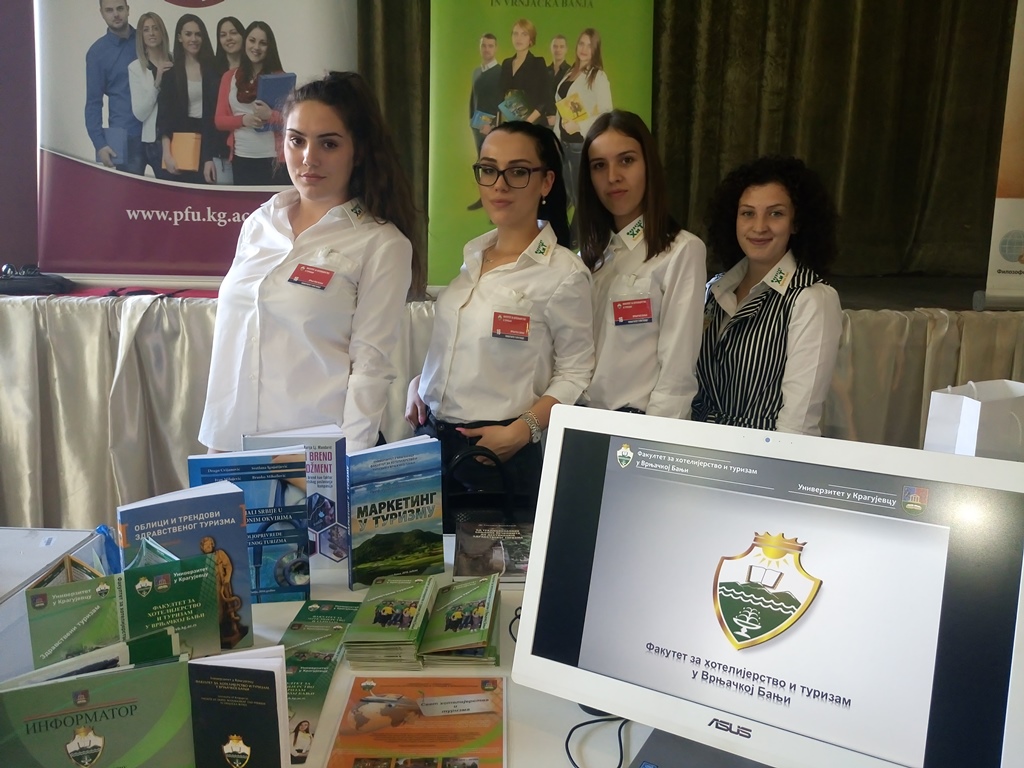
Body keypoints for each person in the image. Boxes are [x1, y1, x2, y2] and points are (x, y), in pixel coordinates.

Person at [199, 72, 420, 453]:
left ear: (358, 151)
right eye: (296, 140)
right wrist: (218, 448)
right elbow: (233, 346)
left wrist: (345, 463)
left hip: (317, 455)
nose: (308, 158)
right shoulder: (260, 223)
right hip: (233, 450)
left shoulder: (382, 244)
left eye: (328, 144)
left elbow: (370, 368)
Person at [406, 122, 594, 499]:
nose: (499, 185)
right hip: (430, 443)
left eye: (518, 171)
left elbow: (576, 373)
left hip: (499, 454)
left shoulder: (563, 273)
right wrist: (421, 383)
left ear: (546, 182)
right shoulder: (473, 258)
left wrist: (521, 432)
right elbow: (461, 348)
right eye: (489, 170)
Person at [693, 155, 843, 435]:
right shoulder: (714, 290)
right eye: (747, 213)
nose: (759, 226)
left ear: (796, 223)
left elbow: (798, 423)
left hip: (758, 455)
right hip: (697, 445)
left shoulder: (812, 299)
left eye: (775, 214)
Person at [577, 111, 706, 418]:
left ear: (649, 165)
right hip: (578, 420)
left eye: (626, 160)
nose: (613, 177)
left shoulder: (681, 251)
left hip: (636, 426)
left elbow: (677, 373)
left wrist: (653, 439)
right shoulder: (584, 260)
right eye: (599, 166)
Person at [215, 20, 288, 186]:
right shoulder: (229, 77)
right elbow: (219, 121)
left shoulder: (280, 77)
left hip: (274, 160)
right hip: (241, 158)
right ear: (245, 42)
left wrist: (270, 115)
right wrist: (243, 120)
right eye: (252, 40)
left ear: (269, 47)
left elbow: (291, 120)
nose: (256, 47)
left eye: (263, 43)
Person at [156, 14, 222, 184]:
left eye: (198, 34)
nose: (194, 39)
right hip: (180, 143)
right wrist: (167, 154)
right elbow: (164, 118)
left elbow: (213, 116)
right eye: (188, 34)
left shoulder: (213, 71)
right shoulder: (171, 74)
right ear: (180, 37)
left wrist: (209, 157)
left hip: (208, 141)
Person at [555, 28, 613, 208]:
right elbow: (560, 106)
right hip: (563, 143)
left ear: (595, 50)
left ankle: (584, 227)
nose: (584, 49)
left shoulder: (598, 76)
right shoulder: (570, 72)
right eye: (581, 43)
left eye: (589, 45)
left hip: (578, 145)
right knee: (566, 196)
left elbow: (606, 113)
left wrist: (579, 126)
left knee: (580, 198)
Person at [85, 0, 144, 173]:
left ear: (128, 9)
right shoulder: (97, 53)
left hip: (157, 133)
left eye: (119, 8)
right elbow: (93, 103)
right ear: (102, 13)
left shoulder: (146, 39)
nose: (116, 14)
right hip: (124, 136)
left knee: (168, 189)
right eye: (109, 10)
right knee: (130, 190)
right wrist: (100, 144)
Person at [127, 11, 172, 179]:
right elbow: (140, 113)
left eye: (155, 28)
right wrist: (157, 82)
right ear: (141, 36)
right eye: (146, 30)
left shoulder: (174, 61)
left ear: (162, 32)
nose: (151, 33)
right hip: (154, 141)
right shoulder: (136, 68)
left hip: (177, 137)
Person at [498, 19, 552, 126]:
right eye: (515, 34)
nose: (519, 38)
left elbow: (545, 98)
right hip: (509, 124)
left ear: (530, 39)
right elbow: (501, 96)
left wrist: (527, 123)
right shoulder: (506, 63)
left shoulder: (538, 63)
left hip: (532, 125)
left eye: (524, 34)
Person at [545, 35, 570, 128]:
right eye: (555, 46)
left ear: (566, 49)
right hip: (543, 122)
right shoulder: (544, 71)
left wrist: (558, 117)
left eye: (561, 47)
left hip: (562, 123)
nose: (558, 50)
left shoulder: (571, 73)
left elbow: (572, 99)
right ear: (551, 48)